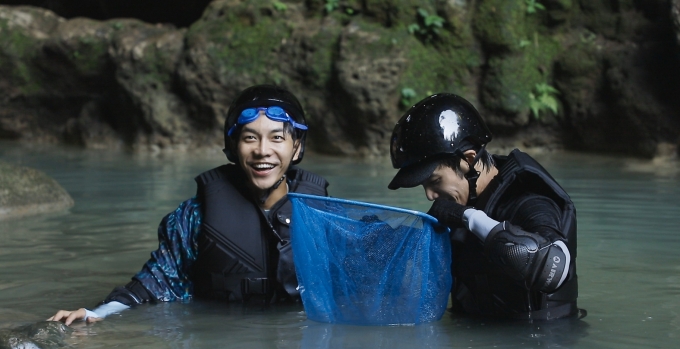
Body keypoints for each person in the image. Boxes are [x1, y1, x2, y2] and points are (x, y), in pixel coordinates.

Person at [48, 84, 330, 325]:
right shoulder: (196, 215)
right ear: (234, 147)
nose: (262, 150)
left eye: (277, 137)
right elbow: (157, 282)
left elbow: (354, 284)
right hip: (226, 342)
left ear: (296, 148)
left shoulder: (325, 216)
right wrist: (96, 314)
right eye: (250, 138)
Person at [387, 93, 580, 320]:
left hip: (540, 346)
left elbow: (553, 268)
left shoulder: (530, 201)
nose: (430, 195)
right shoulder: (461, 204)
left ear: (468, 160)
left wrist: (469, 217)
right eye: (424, 186)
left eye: (435, 181)